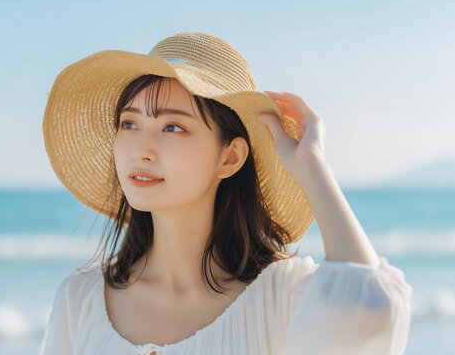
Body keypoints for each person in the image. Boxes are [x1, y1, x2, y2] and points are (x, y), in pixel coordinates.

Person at [39, 32, 413, 355]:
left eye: (172, 127)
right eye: (130, 123)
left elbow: (372, 310)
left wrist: (311, 167)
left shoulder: (280, 296)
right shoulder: (81, 299)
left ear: (230, 158)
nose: (141, 149)